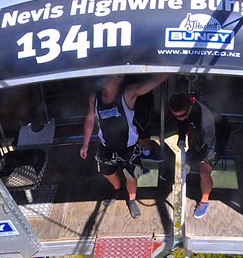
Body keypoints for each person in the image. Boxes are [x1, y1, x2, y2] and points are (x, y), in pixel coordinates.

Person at [80, 73, 168, 219]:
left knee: (131, 176)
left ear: (118, 78)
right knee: (108, 173)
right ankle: (118, 190)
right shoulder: (95, 98)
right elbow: (89, 120)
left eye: (107, 75)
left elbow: (157, 80)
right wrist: (85, 144)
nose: (102, 78)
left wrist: (174, 64)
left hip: (129, 146)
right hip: (106, 145)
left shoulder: (128, 93)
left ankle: (132, 200)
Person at [168, 92, 230, 219]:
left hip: (217, 136)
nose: (179, 118)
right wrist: (181, 138)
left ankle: (205, 200)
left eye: (181, 116)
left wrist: (190, 162)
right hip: (200, 133)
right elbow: (182, 122)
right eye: (176, 116)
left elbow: (208, 149)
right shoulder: (185, 109)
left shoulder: (205, 122)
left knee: (204, 171)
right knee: (193, 150)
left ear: (189, 109)